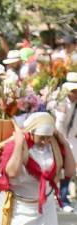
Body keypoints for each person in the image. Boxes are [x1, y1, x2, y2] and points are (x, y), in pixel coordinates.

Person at [55, 72, 77, 212]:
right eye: (73, 91)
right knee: (57, 168)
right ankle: (57, 196)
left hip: (73, 140)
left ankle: (63, 198)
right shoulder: (61, 102)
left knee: (69, 169)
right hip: (60, 139)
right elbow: (59, 125)